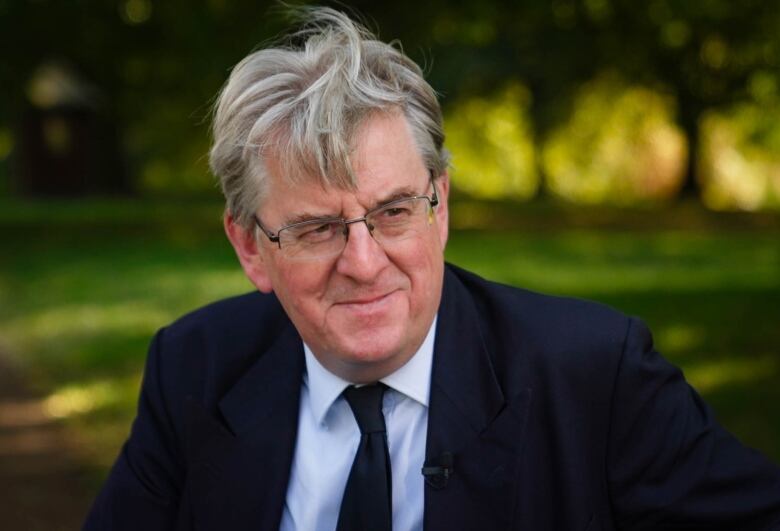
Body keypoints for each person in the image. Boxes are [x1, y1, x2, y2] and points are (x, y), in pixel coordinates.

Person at [84, 7, 780, 531]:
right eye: (318, 228)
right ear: (249, 246)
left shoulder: (598, 375)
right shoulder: (194, 368)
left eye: (393, 212)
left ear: (440, 207)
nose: (363, 262)